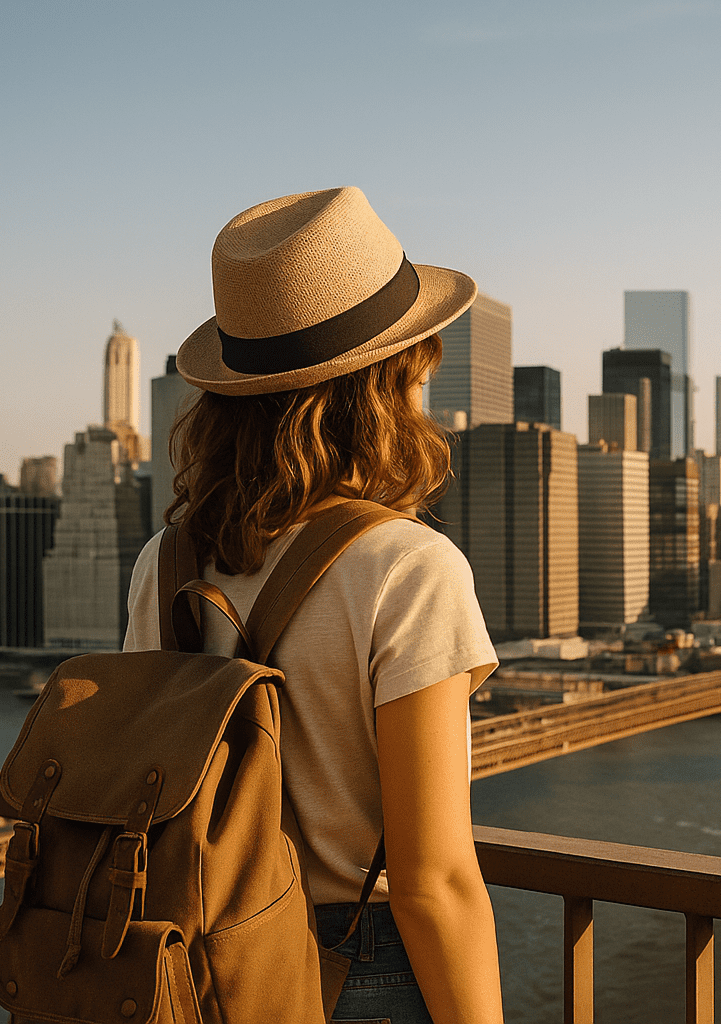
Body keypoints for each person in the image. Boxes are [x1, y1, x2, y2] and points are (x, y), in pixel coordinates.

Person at [123, 186, 503, 1024]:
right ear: (388, 382)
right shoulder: (410, 569)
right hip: (352, 969)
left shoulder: (167, 560)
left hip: (187, 962)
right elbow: (434, 881)